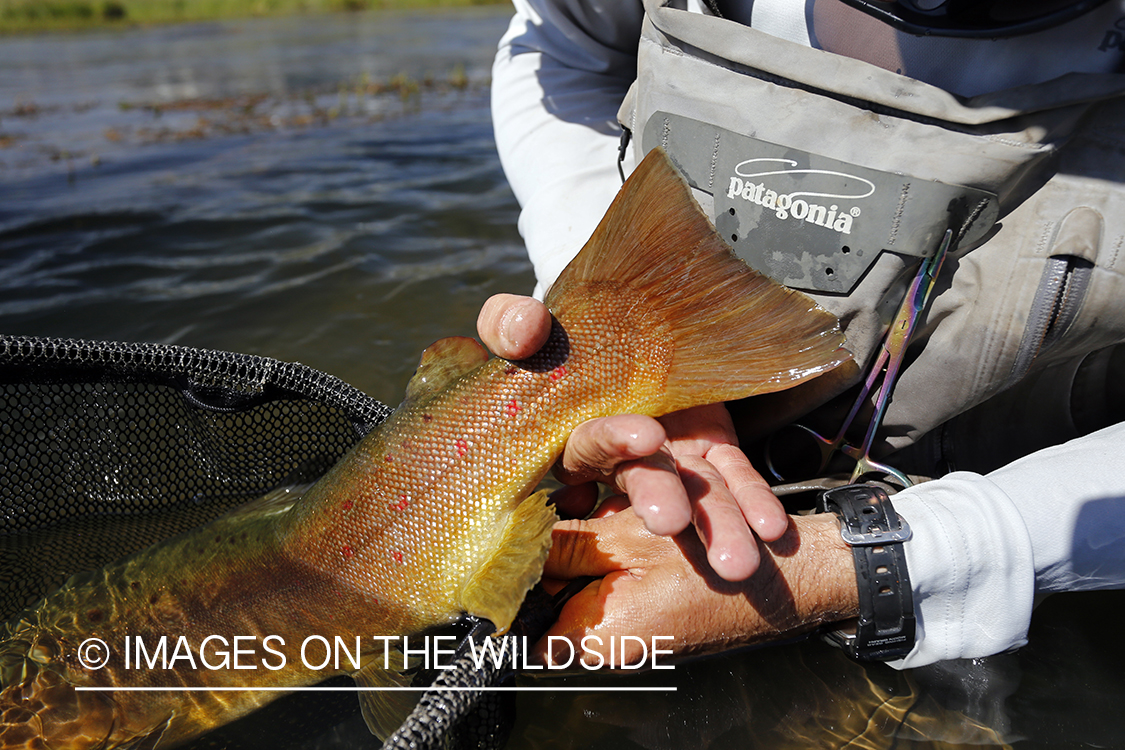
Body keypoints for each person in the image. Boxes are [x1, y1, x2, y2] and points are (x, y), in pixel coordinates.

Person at [480, 0, 1125, 669]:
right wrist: (602, 322)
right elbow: (560, 49)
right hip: (670, 461)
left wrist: (878, 563)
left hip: (1043, 545)